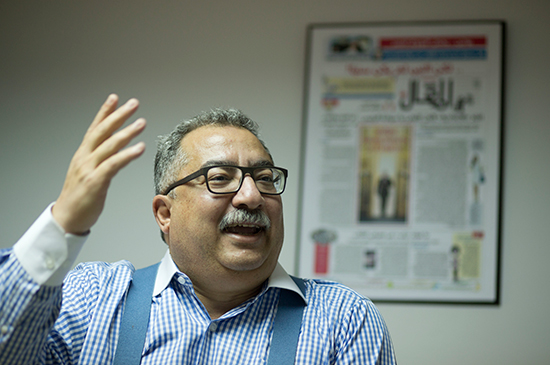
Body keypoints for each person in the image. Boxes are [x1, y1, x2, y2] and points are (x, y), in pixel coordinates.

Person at [0, 94, 396, 364]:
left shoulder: (344, 321)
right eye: (219, 178)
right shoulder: (92, 300)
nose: (251, 196)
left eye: (265, 178)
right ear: (164, 214)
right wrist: (63, 224)